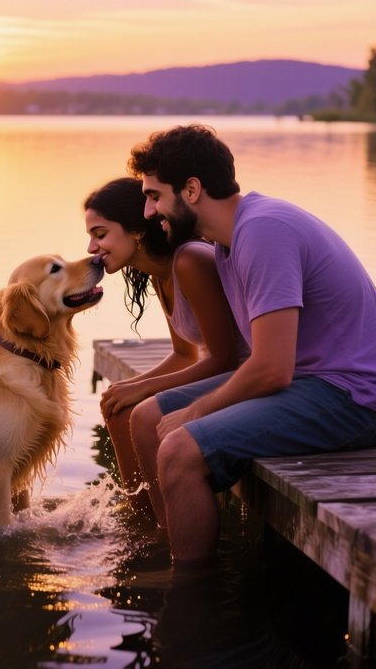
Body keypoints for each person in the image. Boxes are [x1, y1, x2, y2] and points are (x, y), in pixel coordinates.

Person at [126, 124, 376, 566]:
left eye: (155, 196)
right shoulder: (227, 243)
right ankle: (170, 547)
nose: (147, 211)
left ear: (193, 189)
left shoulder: (263, 232)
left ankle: (192, 596)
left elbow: (272, 368)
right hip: (306, 381)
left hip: (355, 397)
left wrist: (197, 411)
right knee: (147, 418)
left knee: (180, 447)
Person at [84, 177, 246, 515]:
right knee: (118, 405)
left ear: (136, 230)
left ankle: (162, 527)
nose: (91, 248)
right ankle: (140, 518)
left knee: (141, 412)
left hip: (247, 377)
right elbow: (184, 354)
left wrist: (145, 388)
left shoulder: (189, 261)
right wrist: (131, 386)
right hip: (226, 372)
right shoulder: (158, 271)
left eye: (100, 234)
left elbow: (225, 358)